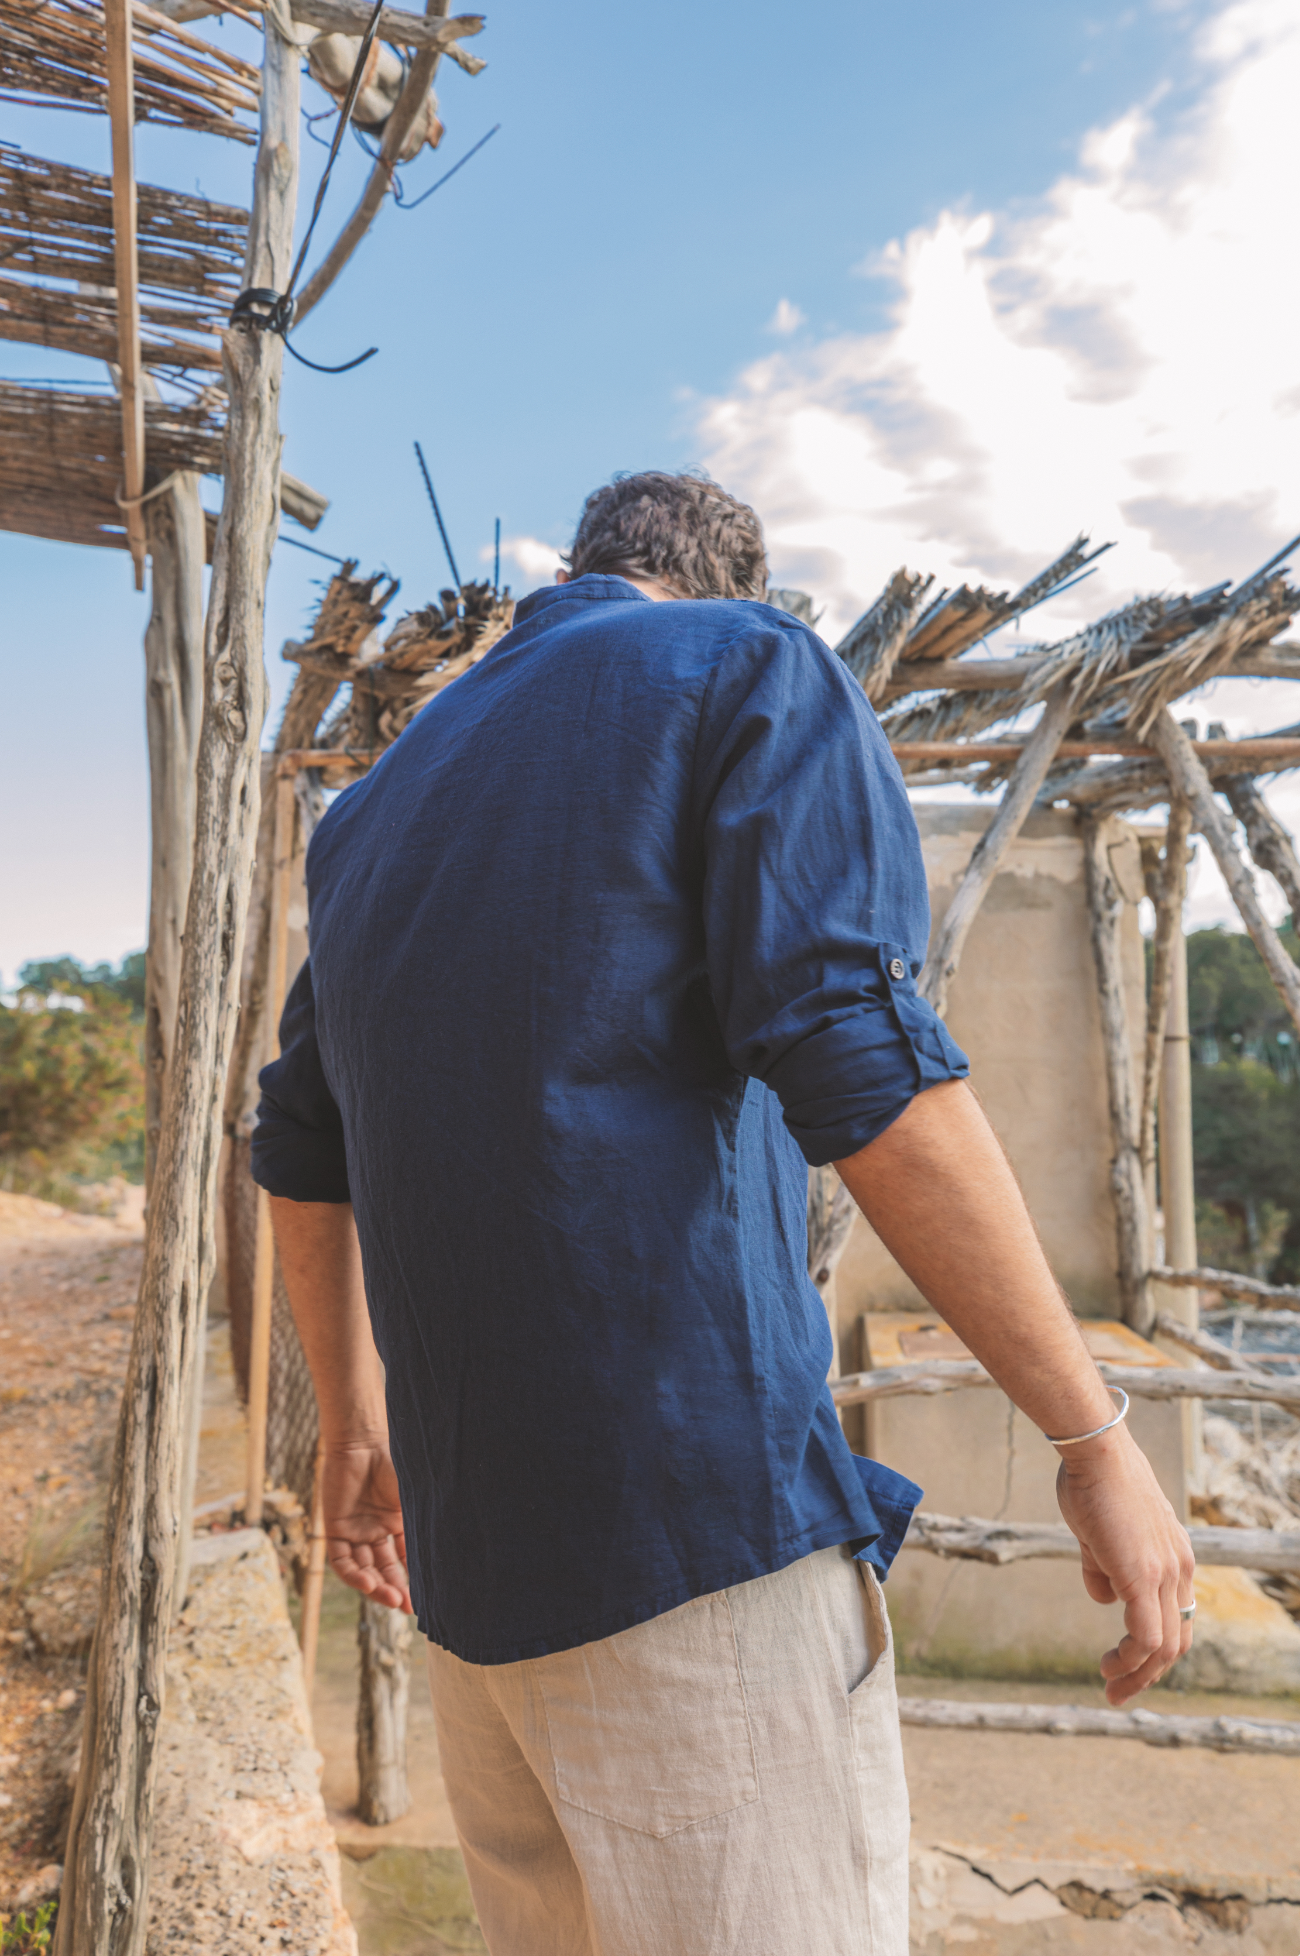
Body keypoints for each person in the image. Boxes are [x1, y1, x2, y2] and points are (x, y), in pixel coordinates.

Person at [254, 471, 1194, 1956]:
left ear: (587, 569)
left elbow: (300, 1148)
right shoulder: (747, 664)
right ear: (729, 584)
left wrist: (357, 1428)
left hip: (481, 1605)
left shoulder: (375, 809)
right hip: (690, 1554)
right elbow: (863, 1065)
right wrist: (1092, 1438)